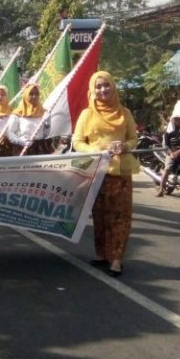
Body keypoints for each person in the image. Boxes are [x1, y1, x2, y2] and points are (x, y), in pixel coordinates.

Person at [72, 71, 139, 277]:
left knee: (120, 216)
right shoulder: (87, 114)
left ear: (113, 87)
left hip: (120, 172)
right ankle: (103, 254)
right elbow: (77, 142)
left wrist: (124, 146)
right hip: (96, 172)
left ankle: (116, 259)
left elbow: (133, 139)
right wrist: (96, 150)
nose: (103, 90)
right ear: (92, 90)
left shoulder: (124, 113)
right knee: (100, 215)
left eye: (106, 85)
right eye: (98, 87)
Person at [10, 84, 52, 155]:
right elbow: (10, 132)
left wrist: (47, 124)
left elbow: (46, 134)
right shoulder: (17, 114)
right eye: (31, 94)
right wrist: (20, 141)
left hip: (40, 148)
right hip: (23, 148)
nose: (34, 96)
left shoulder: (44, 112)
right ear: (25, 95)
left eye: (37, 94)